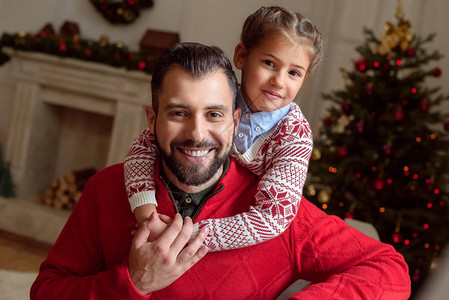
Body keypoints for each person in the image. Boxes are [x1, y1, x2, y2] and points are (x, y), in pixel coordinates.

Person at [31, 42, 411, 299]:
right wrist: (134, 281)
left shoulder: (278, 212)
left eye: (214, 115)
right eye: (179, 113)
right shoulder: (105, 188)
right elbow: (45, 290)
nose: (197, 134)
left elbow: (389, 268)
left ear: (235, 121)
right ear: (152, 120)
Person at [125, 6, 321, 251]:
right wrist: (147, 217)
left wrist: (187, 236)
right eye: (269, 63)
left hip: (231, 231)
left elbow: (273, 216)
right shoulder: (216, 97)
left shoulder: (294, 136)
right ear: (241, 56)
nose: (279, 81)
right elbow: (144, 145)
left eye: (294, 73)